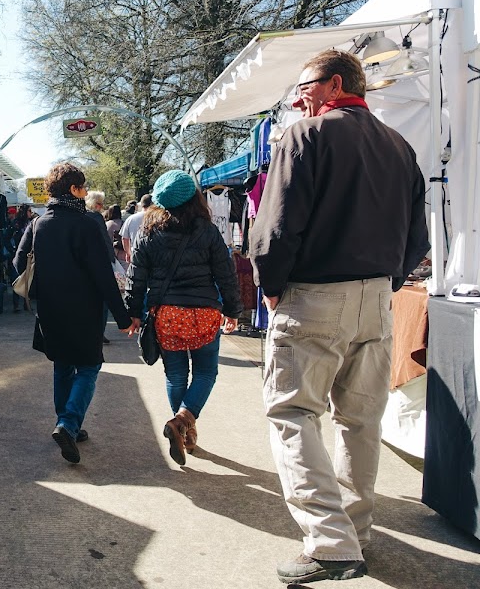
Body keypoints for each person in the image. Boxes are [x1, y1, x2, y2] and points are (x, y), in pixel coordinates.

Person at [249, 49, 429, 584]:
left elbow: (274, 228)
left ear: (332, 85)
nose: (298, 98)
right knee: (359, 419)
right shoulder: (400, 146)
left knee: (292, 413)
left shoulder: (306, 137)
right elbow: (417, 235)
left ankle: (330, 542)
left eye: (304, 87)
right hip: (377, 298)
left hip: (316, 295)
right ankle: (354, 533)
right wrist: (388, 283)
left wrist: (271, 287)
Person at [15, 162, 136, 464]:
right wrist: (122, 317)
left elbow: (19, 263)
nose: (84, 193)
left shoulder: (39, 223)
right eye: (82, 187)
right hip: (84, 310)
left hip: (51, 309)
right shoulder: (87, 224)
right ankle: (68, 424)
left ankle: (68, 423)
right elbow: (103, 276)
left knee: (63, 365)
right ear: (73, 189)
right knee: (89, 367)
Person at [124, 170, 241, 466]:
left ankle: (182, 427)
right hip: (204, 313)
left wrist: (133, 313)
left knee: (176, 375)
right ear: (194, 198)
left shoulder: (147, 232)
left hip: (168, 314)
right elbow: (225, 274)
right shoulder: (208, 230)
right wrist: (232, 310)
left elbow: (136, 278)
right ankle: (183, 423)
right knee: (205, 373)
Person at [85, 190, 116, 344]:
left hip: (82, 268)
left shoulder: (79, 215)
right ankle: (99, 333)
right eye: (100, 204)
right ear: (94, 204)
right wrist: (112, 261)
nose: (102, 207)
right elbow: (105, 241)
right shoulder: (96, 218)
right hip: (99, 265)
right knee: (103, 303)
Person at [119, 193, 152, 264]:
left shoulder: (131, 218)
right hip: (152, 255)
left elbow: (124, 238)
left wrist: (128, 253)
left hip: (135, 254)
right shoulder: (156, 218)